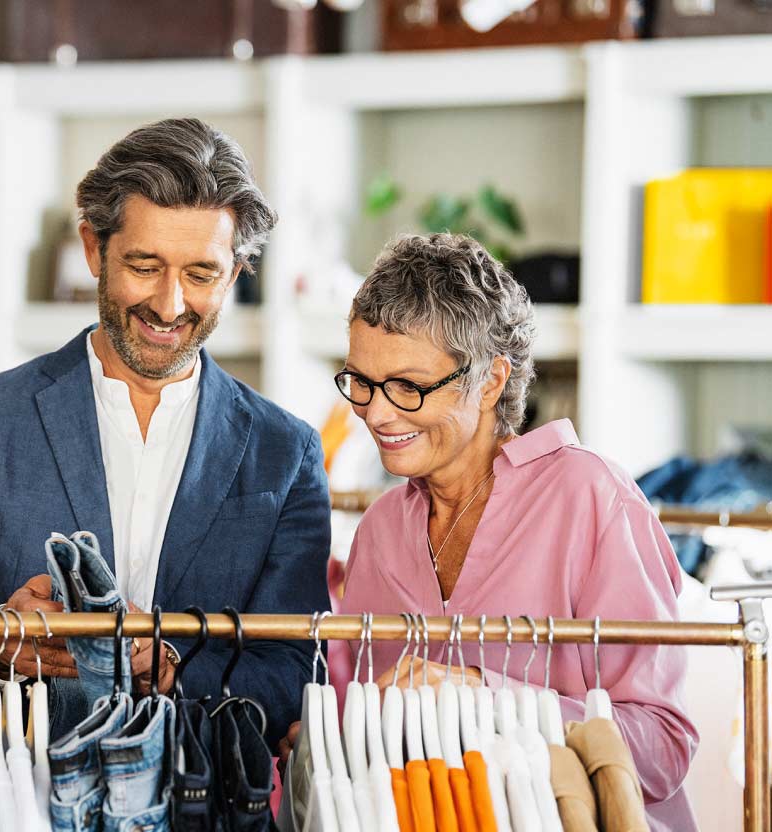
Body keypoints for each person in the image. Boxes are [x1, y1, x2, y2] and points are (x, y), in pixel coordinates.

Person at [0, 118, 331, 747]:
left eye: (201, 275)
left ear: (237, 270)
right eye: (144, 266)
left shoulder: (287, 453)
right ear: (93, 249)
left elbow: (295, 674)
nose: (170, 305)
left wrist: (166, 672)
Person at [280, 233, 697, 830]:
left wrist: (483, 697)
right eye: (361, 383)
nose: (374, 412)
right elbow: (361, 723)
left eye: (407, 387)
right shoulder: (378, 531)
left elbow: (663, 747)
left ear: (491, 380)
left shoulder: (591, 498)